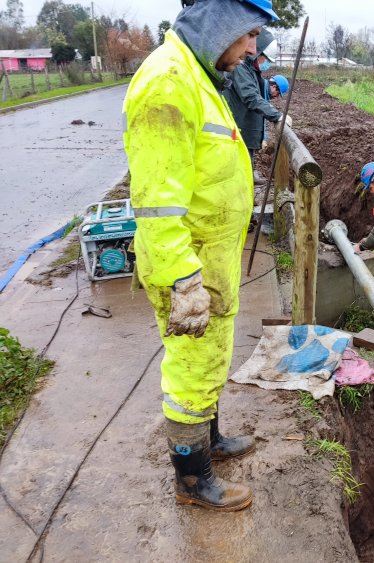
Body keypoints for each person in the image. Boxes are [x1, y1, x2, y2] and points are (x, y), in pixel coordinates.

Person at [122, 0, 279, 512]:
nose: (255, 47)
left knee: (211, 356)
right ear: (221, 23)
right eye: (250, 33)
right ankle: (192, 479)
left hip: (210, 259)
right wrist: (182, 280)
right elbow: (157, 203)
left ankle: (209, 440)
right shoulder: (168, 83)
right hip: (186, 265)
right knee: (190, 368)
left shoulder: (198, 76)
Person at [224, 29, 290, 174]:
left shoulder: (253, 71)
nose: (266, 64)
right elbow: (251, 97)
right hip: (239, 128)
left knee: (247, 167)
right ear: (258, 54)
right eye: (266, 59)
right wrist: (278, 116)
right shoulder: (241, 69)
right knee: (240, 169)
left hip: (247, 131)